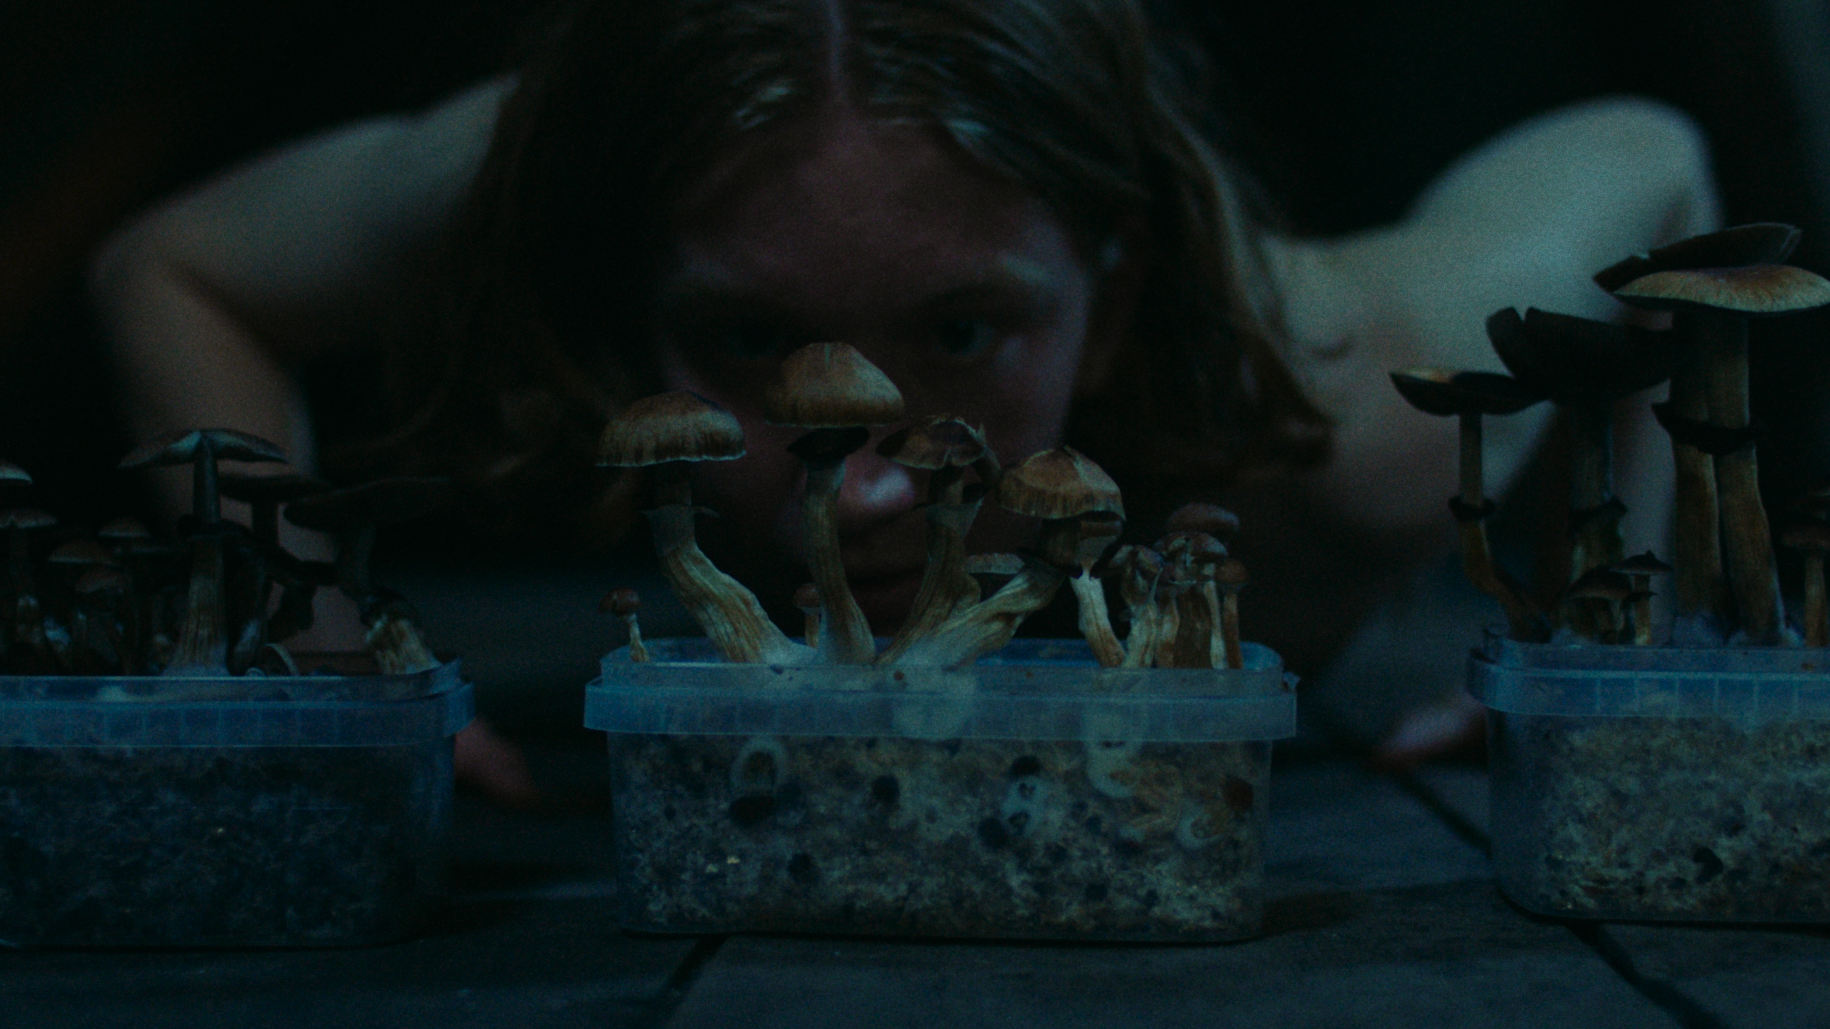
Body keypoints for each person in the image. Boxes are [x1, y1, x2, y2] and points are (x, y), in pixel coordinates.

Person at [89, 0, 1719, 800]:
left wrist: (1607, 645)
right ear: (617, 291)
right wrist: (314, 655)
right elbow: (175, 268)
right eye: (748, 339)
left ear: (1110, 301)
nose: (862, 486)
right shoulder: (540, 181)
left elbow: (1649, 158)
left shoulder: (1362, 402)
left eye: (961, 331)